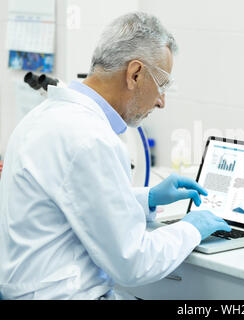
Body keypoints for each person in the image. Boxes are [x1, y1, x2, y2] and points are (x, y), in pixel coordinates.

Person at [0, 12, 231, 300]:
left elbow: (74, 202)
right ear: (135, 73)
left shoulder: (43, 117)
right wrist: (191, 228)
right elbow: (133, 262)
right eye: (162, 85)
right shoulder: (91, 138)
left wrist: (145, 198)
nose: (161, 101)